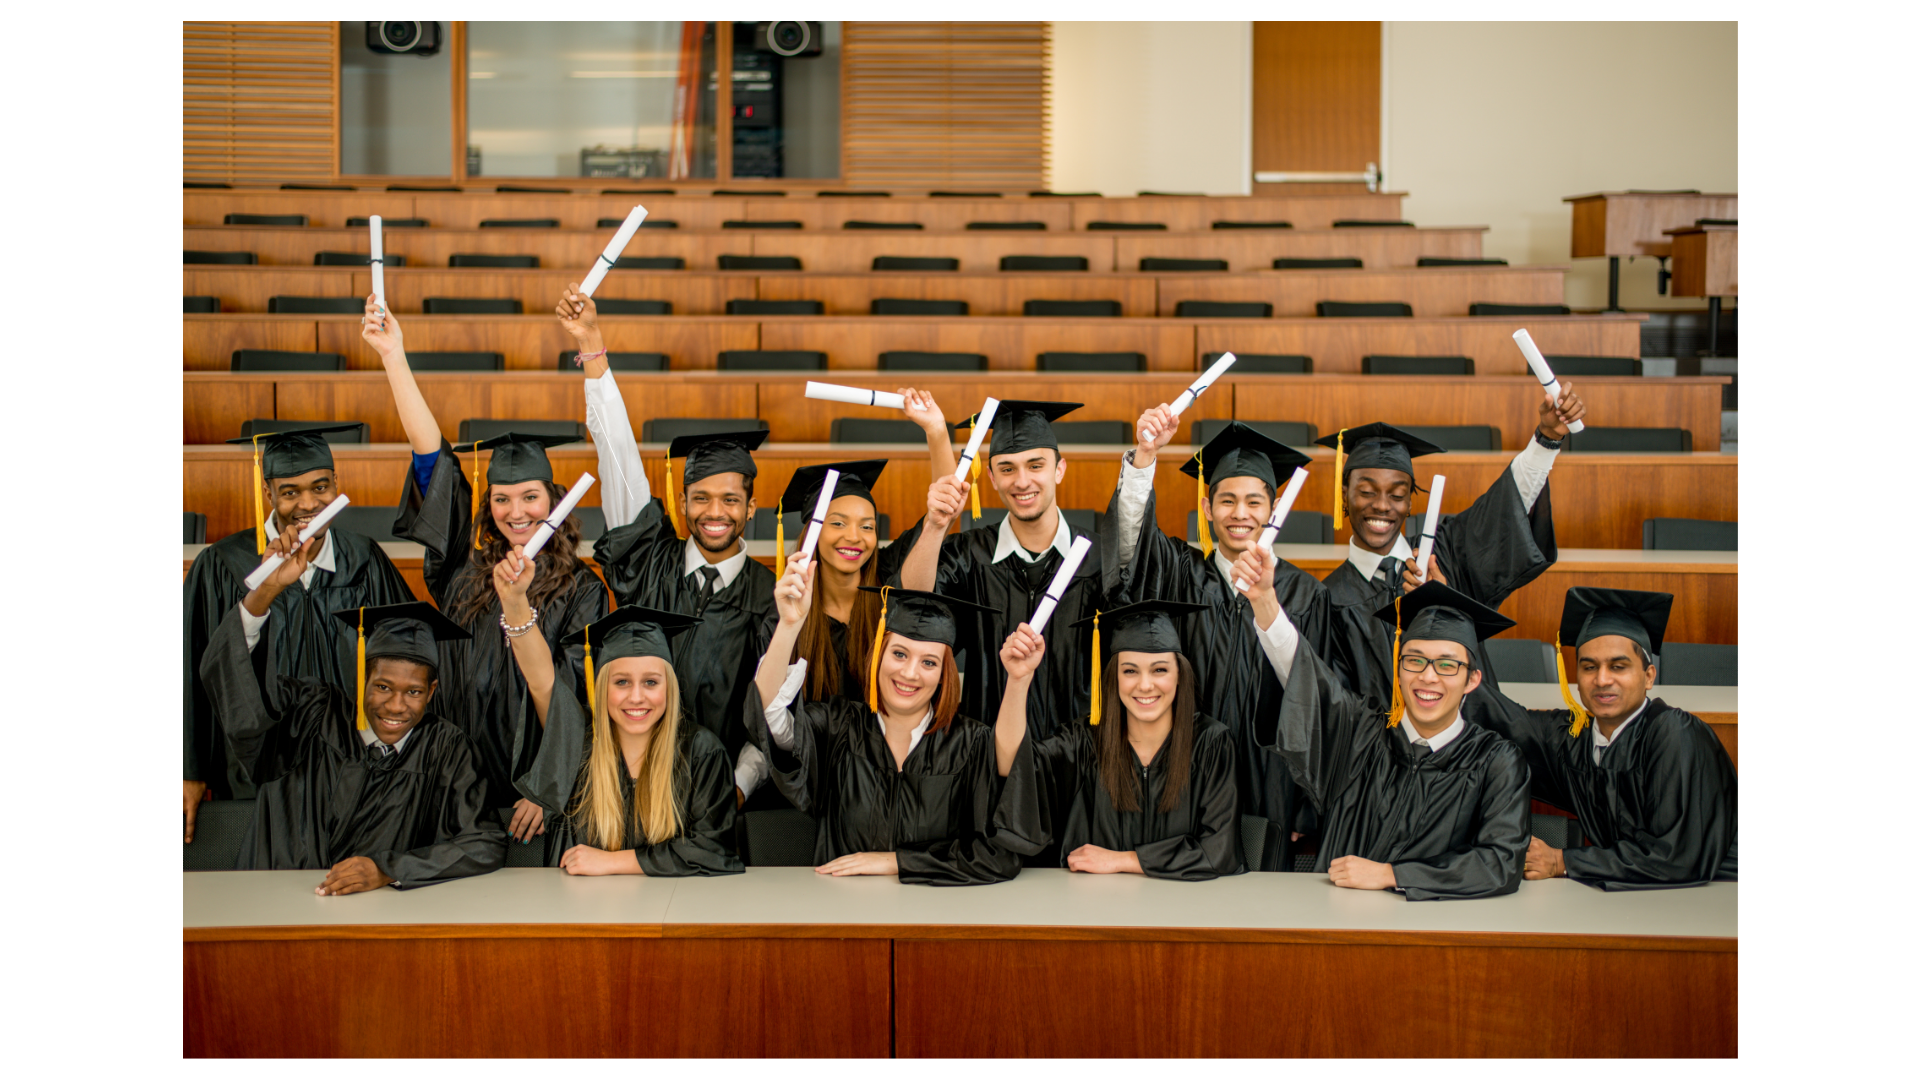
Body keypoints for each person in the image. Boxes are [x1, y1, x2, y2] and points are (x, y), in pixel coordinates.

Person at [361, 296, 609, 846]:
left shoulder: (583, 589)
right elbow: (433, 461)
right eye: (501, 499)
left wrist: (548, 786)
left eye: (530, 496)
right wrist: (393, 356)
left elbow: (575, 698)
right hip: (453, 784)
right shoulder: (463, 571)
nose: (516, 512)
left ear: (554, 498)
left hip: (539, 796)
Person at [197, 562, 504, 891]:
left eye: (413, 692)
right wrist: (264, 595)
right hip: (278, 903)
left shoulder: (446, 749)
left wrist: (388, 869)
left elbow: (484, 843)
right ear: (363, 679)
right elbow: (244, 690)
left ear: (431, 691)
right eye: (383, 687)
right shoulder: (311, 715)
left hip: (376, 919)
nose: (396, 706)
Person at [1107, 417, 1331, 867]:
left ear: (1273, 507)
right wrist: (1145, 458)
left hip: (1272, 784)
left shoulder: (1305, 595)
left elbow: (1319, 700)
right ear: (1207, 508)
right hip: (1190, 775)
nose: (1240, 514)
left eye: (1253, 501)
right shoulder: (1180, 574)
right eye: (1227, 501)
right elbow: (1130, 547)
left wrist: (1306, 800)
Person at [1238, 558, 1530, 900]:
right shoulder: (1360, 734)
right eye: (1415, 660)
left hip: (1435, 932)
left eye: (1447, 665)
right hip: (1335, 922)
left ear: (1472, 679)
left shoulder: (1496, 761)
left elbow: (1499, 863)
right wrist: (1264, 603)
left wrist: (1391, 875)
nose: (1428, 677)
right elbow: (1305, 678)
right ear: (1399, 666)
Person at [183, 423, 415, 839]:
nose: (308, 503)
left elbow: (407, 658)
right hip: (259, 771)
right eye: (290, 492)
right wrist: (189, 769)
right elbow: (192, 671)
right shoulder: (222, 565)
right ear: (268, 492)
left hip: (355, 768)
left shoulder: (364, 560)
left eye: (320, 487)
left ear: (336, 485)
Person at [746, 570, 1020, 885]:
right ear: (878, 654)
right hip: (845, 914)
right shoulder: (839, 727)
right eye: (899, 654)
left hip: (936, 916)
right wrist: (790, 626)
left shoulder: (971, 743)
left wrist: (896, 862)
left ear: (945, 674)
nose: (910, 673)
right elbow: (769, 715)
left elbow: (997, 854)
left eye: (929, 662)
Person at [1465, 586, 1739, 889]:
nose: (1602, 679)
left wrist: (1563, 862)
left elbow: (1677, 857)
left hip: (1718, 893)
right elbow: (1502, 721)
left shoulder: (1676, 734)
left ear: (1649, 676)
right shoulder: (1573, 737)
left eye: (1618, 667)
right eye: (1589, 667)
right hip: (1633, 901)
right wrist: (1451, 620)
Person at [1315, 399, 1583, 705]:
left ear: (1410, 503)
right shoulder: (1328, 602)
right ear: (1344, 498)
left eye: (1398, 494)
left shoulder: (1446, 553)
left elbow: (1504, 507)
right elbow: (1335, 707)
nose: (1382, 505)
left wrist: (1547, 439)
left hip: (1472, 743)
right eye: (1366, 492)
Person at [993, 600, 1243, 880]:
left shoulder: (1211, 743)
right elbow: (1010, 765)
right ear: (1113, 678)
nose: (1145, 685)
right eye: (1130, 671)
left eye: (1160, 670)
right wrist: (1018, 680)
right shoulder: (1084, 741)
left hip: (1181, 907)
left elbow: (1219, 851)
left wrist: (1124, 861)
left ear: (1179, 676)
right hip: (1093, 908)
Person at [898, 400, 1101, 739]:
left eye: (1035, 465)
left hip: (1080, 758)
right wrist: (935, 527)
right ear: (991, 477)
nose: (1022, 481)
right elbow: (915, 602)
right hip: (985, 753)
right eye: (1007, 469)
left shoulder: (1099, 559)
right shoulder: (967, 555)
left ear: (1059, 469)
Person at [509, 605, 743, 876]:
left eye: (651, 682)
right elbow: (541, 681)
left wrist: (611, 862)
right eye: (621, 682)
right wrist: (514, 598)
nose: (636, 697)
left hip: (674, 908)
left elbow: (713, 848)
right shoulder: (578, 749)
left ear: (669, 686)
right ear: (601, 687)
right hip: (587, 909)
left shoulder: (701, 752)